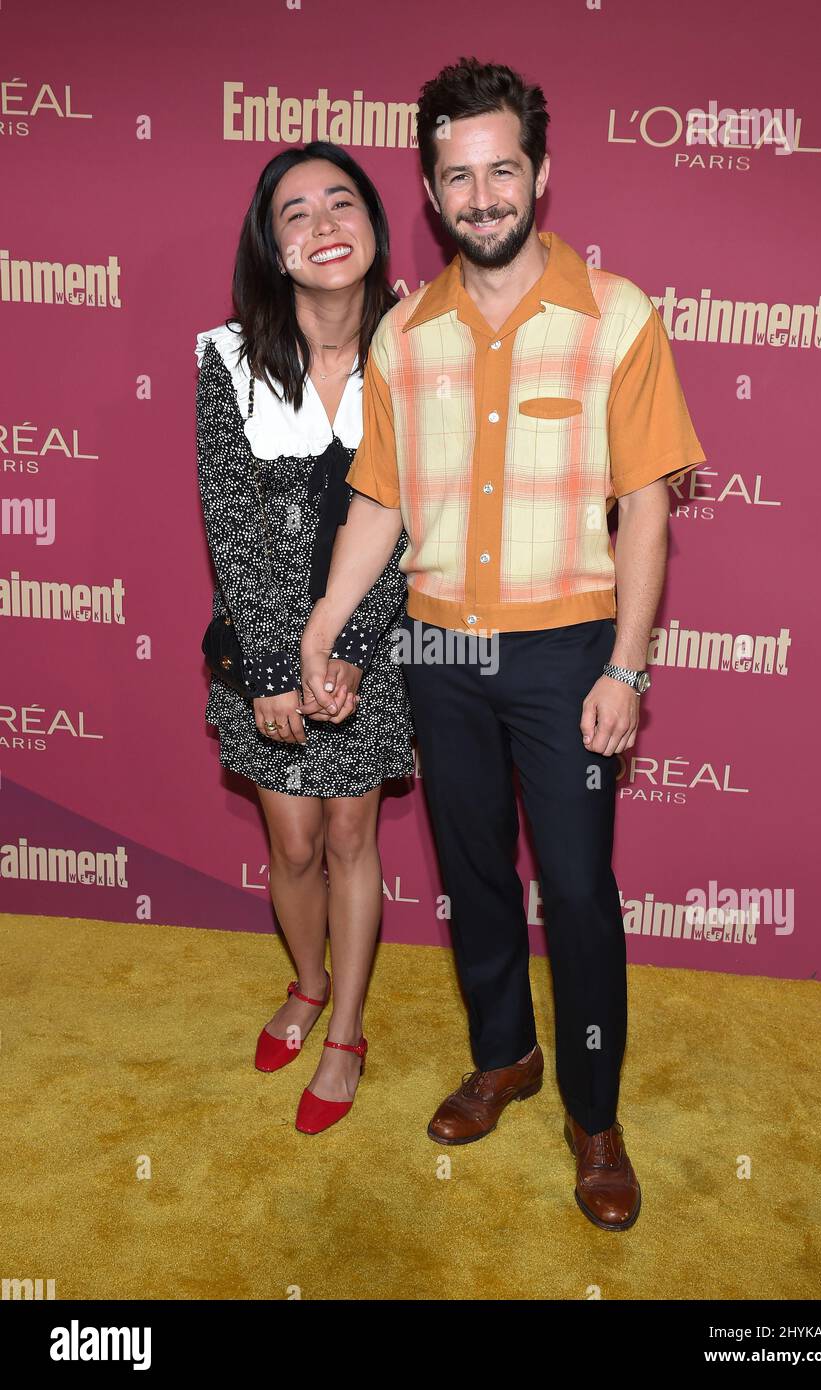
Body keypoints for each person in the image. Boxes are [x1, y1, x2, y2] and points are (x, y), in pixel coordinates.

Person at [300, 58, 706, 1229]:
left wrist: (625, 665)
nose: (480, 196)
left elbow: (647, 505)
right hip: (439, 653)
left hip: (568, 650)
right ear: (430, 192)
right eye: (456, 177)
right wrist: (324, 628)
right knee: (473, 874)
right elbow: (379, 502)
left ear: (540, 175)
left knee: (576, 891)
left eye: (501, 171)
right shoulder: (402, 337)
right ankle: (504, 1057)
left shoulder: (616, 315)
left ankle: (592, 1109)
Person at [195, 142, 414, 1136]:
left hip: (376, 634)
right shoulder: (227, 356)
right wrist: (275, 667)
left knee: (349, 834)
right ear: (274, 248)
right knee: (290, 839)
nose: (323, 224)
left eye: (341, 203)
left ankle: (348, 1030)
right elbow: (231, 523)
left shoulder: (423, 348)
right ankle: (309, 979)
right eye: (296, 212)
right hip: (264, 636)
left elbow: (417, 521)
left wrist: (354, 647)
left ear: (373, 225)